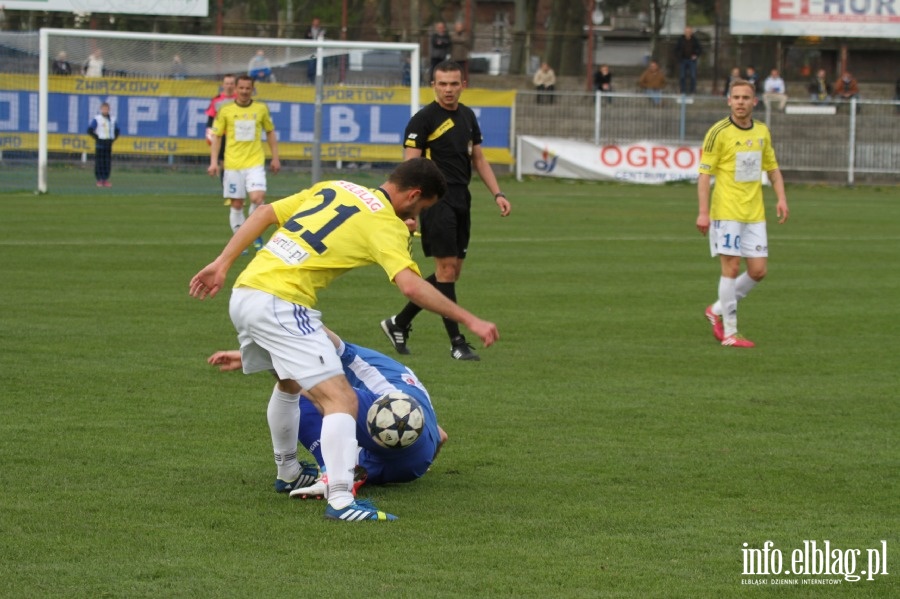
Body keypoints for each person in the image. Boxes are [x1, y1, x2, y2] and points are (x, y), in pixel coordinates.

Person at [188, 157, 500, 522]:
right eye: (420, 208)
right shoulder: (385, 224)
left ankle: (288, 471)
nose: (416, 216)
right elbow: (411, 285)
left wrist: (223, 262)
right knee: (340, 398)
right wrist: (469, 319)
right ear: (414, 194)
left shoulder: (337, 187)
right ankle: (341, 500)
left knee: (288, 382)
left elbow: (266, 212)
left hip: (246, 291)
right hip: (282, 301)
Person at [207, 328, 449, 499]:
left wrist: (259, 357)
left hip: (391, 417)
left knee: (301, 386)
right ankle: (354, 466)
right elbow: (441, 436)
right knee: (331, 398)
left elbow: (314, 334)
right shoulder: (407, 393)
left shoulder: (365, 369)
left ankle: (327, 471)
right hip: (414, 465)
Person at [380, 61, 511, 362]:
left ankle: (398, 323)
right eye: (443, 84)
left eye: (454, 84)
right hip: (435, 200)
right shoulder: (423, 120)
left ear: (463, 84)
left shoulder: (466, 116)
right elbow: (409, 168)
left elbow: (478, 158)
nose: (448, 89)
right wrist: (407, 211)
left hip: (462, 199)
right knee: (446, 272)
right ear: (434, 86)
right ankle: (457, 343)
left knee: (451, 273)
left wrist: (498, 193)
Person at [696, 79, 789, 348]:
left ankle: (715, 310)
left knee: (758, 271)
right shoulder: (718, 132)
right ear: (729, 101)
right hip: (726, 211)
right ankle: (730, 332)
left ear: (754, 102)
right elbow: (704, 175)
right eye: (735, 97)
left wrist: (781, 197)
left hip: (754, 212)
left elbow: (772, 168)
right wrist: (704, 212)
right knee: (731, 267)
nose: (740, 102)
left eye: (745, 98)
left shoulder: (762, 131)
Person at [208, 75, 279, 250]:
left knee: (257, 197)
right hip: (232, 164)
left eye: (248, 88)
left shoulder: (261, 109)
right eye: (242, 88)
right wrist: (214, 162)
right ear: (236, 89)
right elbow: (216, 136)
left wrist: (275, 157)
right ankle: (241, 242)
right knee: (237, 203)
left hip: (255, 162)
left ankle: (254, 232)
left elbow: (270, 132)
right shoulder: (225, 110)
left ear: (252, 89)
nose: (245, 91)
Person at [205, 74, 237, 180]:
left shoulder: (240, 99)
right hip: (221, 136)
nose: (229, 86)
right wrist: (210, 134)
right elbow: (211, 121)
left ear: (235, 85)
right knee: (224, 163)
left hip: (237, 136)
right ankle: (227, 188)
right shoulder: (216, 100)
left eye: (231, 83)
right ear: (223, 85)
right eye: (227, 83)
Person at [87, 102, 119, 188]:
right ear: (101, 109)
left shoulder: (112, 119)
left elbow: (117, 130)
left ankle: (105, 179)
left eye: (107, 109)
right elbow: (90, 130)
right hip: (100, 144)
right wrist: (97, 138)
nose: (105, 110)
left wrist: (113, 139)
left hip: (108, 143)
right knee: (99, 162)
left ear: (109, 109)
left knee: (107, 162)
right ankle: (99, 180)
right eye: (104, 109)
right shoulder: (97, 119)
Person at [674, 26, 701, 95]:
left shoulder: (694, 40)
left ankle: (692, 91)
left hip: (691, 61)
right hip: (683, 60)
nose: (688, 33)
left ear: (691, 32)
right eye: (686, 31)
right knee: (682, 76)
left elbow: (699, 49)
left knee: (693, 76)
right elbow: (676, 49)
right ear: (684, 32)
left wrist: (696, 55)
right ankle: (682, 91)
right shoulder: (680, 39)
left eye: (689, 31)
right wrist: (679, 56)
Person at [305, 17, 325, 83]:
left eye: (317, 22)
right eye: (315, 22)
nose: (316, 23)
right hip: (311, 50)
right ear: (312, 22)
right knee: (311, 63)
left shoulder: (321, 30)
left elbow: (324, 38)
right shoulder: (308, 30)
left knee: (320, 64)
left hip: (319, 50)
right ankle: (310, 79)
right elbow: (305, 38)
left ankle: (318, 79)